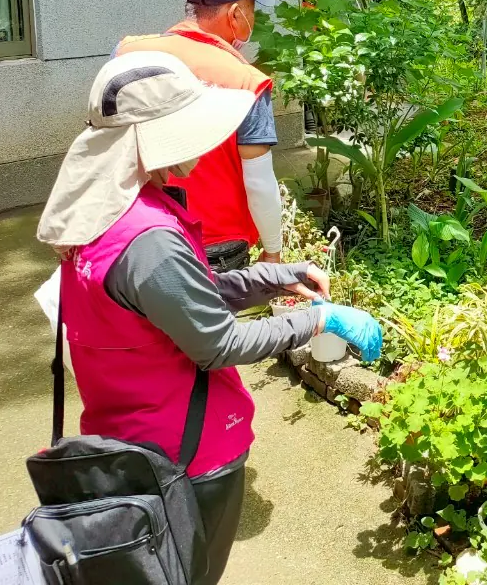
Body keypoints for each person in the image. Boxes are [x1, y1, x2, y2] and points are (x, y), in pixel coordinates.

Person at [35, 51, 383, 584]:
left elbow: (183, 299)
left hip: (129, 438)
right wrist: (320, 321)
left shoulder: (107, 215)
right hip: (186, 455)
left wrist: (271, 278)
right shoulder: (148, 238)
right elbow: (215, 343)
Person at [117, 0, 284, 273]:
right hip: (215, 247)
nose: (254, 19)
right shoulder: (244, 81)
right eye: (252, 11)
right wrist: (273, 252)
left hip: (139, 236)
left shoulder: (127, 54)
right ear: (236, 15)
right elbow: (259, 181)